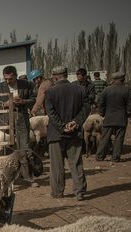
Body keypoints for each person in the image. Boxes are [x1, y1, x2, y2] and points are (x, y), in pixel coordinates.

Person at [45, 66, 89, 200]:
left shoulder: (50, 92)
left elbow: (51, 113)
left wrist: (62, 126)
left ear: (55, 77)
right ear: (66, 75)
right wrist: (75, 122)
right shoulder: (80, 89)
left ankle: (58, 192)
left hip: (56, 134)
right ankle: (79, 192)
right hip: (74, 133)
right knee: (76, 163)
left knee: (57, 165)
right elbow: (86, 108)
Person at [0, 65, 35, 150]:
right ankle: (13, 161)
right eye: (5, 79)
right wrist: (4, 104)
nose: (7, 81)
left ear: (16, 76)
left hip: (21, 116)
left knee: (24, 143)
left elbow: (33, 99)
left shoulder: (26, 84)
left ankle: (24, 161)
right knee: (7, 147)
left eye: (10, 79)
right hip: (5, 120)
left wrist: (23, 101)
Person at [95, 72, 131, 162]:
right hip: (121, 118)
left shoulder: (107, 90)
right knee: (119, 139)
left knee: (105, 138)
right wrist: (127, 113)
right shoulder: (127, 90)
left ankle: (100, 156)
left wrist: (102, 113)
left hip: (109, 118)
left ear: (113, 80)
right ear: (122, 79)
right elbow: (130, 105)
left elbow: (101, 103)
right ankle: (115, 157)